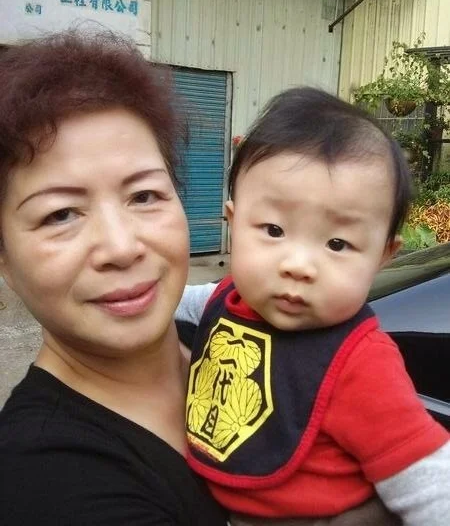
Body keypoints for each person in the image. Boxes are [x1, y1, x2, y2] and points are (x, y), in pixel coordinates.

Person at [176, 88, 450, 525]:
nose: (299, 265)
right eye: (273, 229)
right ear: (233, 222)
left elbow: (427, 475)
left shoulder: (361, 361)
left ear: (383, 255)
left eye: (337, 243)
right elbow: (175, 299)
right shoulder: (224, 299)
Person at [0, 30, 228, 525]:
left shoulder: (223, 343)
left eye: (144, 196)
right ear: (5, 260)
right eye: (60, 214)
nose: (122, 248)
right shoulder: (43, 477)